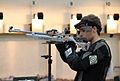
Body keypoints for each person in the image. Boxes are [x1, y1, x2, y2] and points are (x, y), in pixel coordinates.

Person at [48, 14, 112, 81]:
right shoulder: (90, 47)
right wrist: (60, 43)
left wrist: (69, 46)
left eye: (83, 30)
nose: (80, 34)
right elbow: (70, 59)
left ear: (94, 29)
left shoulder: (101, 49)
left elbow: (79, 65)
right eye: (80, 31)